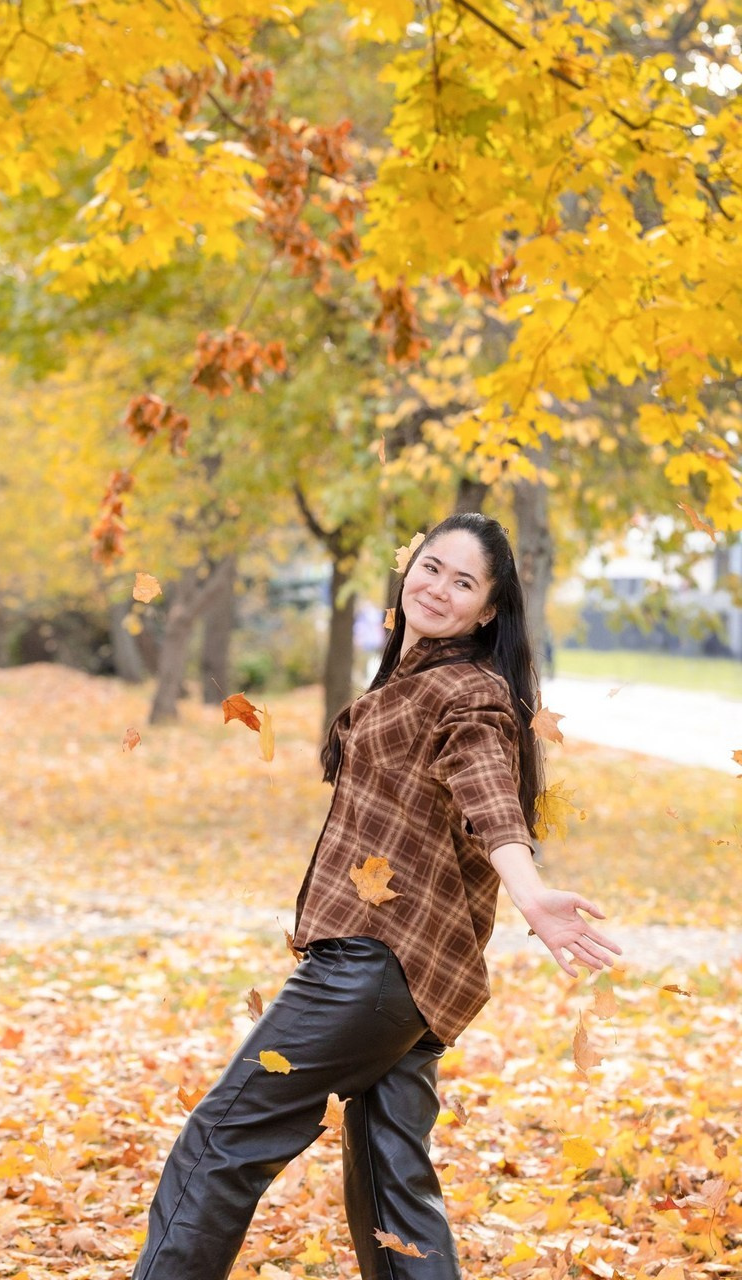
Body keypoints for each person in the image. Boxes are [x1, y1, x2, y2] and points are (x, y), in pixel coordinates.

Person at [131, 512, 621, 1280]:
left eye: (464, 583)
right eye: (431, 567)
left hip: (371, 968)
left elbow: (488, 797)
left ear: (488, 609)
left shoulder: (468, 695)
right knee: (396, 1193)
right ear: (409, 569)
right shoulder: (411, 679)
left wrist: (529, 891)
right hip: (416, 983)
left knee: (220, 1143)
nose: (439, 588)